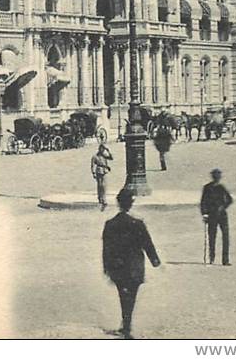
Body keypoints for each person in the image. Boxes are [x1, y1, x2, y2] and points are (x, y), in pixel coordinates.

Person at [102, 188, 161, 339]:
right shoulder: (138, 223)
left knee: (123, 294)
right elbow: (147, 244)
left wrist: (106, 268)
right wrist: (155, 261)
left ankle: (126, 324)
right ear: (131, 203)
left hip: (118, 267)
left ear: (118, 203)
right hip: (135, 267)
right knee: (131, 296)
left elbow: (106, 248)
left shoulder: (110, 224)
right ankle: (127, 325)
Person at [200, 168, 233, 266]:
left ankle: (225, 260)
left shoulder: (221, 187)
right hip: (211, 215)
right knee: (212, 237)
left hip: (222, 215)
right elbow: (203, 202)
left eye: (218, 176)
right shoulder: (207, 187)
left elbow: (229, 200)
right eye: (215, 176)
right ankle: (211, 258)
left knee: (225, 237)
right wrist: (204, 214)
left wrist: (223, 207)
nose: (217, 178)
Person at [90, 142, 114, 210]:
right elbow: (93, 165)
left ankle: (104, 199)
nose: (103, 150)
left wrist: (108, 150)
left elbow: (111, 158)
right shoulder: (95, 156)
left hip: (105, 171)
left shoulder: (104, 155)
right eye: (102, 148)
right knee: (100, 185)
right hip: (99, 171)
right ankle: (100, 198)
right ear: (99, 148)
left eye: (103, 149)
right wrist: (93, 173)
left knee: (104, 186)